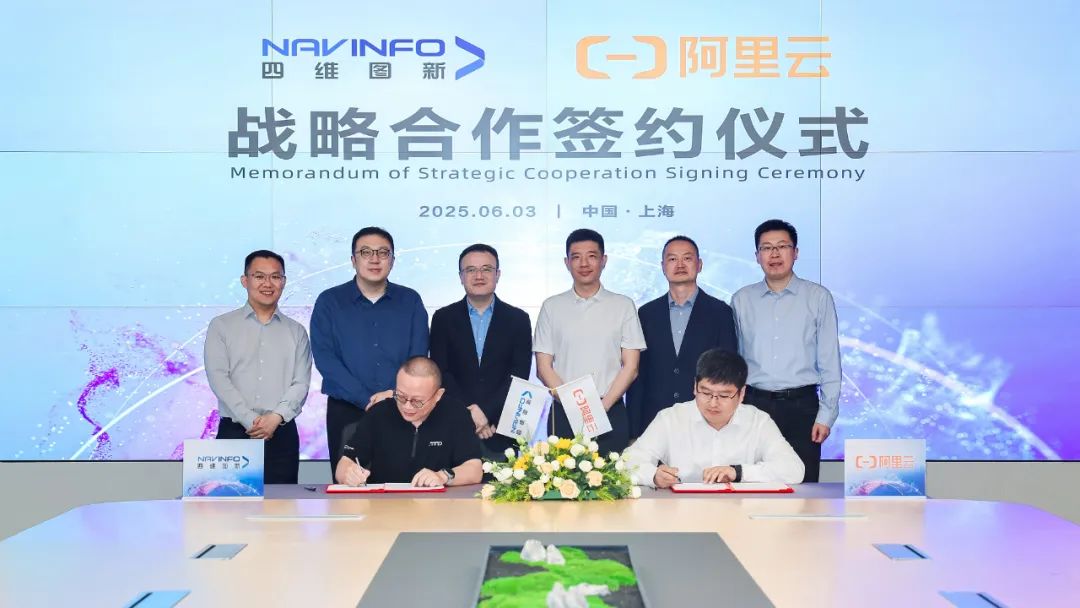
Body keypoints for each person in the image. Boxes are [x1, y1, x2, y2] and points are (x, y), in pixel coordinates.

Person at [310, 227, 429, 474]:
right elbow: (325, 359)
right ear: (353, 260)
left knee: (402, 485)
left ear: (392, 260)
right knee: (349, 484)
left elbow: (418, 357)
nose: (375, 259)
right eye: (366, 252)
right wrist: (366, 399)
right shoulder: (330, 302)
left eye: (383, 253)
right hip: (347, 410)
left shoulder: (410, 301)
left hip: (402, 409)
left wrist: (394, 395)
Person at [731, 219, 841, 482]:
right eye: (766, 248)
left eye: (782, 246)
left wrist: (826, 415)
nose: (775, 254)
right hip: (754, 405)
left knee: (804, 486)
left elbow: (829, 360)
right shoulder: (742, 300)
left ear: (796, 252)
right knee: (754, 484)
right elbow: (735, 362)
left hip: (802, 407)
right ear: (757, 256)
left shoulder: (818, 297)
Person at [533, 229, 646, 454]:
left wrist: (601, 407)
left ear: (604, 260)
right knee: (562, 475)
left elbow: (631, 366)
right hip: (564, 412)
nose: (584, 263)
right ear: (566, 262)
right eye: (576, 257)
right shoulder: (551, 306)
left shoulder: (623, 305)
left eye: (592, 256)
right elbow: (543, 368)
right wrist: (576, 406)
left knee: (613, 476)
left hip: (610, 409)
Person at [204, 249, 312, 484]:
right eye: (259, 276)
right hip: (234, 431)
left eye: (275, 277)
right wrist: (250, 419)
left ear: (283, 282)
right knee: (230, 504)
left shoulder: (296, 331)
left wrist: (275, 418)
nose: (267, 283)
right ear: (245, 281)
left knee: (282, 504)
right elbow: (218, 378)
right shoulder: (221, 326)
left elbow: (301, 383)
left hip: (281, 432)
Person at [624, 349, 804, 488]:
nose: (713, 403)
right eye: (705, 392)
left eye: (724, 396)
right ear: (695, 386)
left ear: (742, 393)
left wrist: (738, 472)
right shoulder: (671, 418)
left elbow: (794, 469)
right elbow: (627, 463)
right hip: (684, 513)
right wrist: (653, 475)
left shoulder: (758, 421)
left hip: (740, 514)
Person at [628, 235, 738, 438]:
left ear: (700, 264)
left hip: (705, 423)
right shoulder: (646, 314)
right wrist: (634, 432)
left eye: (687, 258)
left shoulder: (720, 312)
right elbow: (638, 376)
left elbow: (728, 374)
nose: (679, 265)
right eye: (672, 259)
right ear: (662, 266)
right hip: (654, 423)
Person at [429, 244, 533, 457]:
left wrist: (486, 413)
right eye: (471, 270)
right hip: (454, 424)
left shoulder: (518, 319)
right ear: (461, 276)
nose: (479, 276)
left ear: (498, 274)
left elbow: (518, 374)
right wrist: (470, 411)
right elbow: (440, 372)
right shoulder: (443, 318)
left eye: (486, 269)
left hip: (500, 427)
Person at [334, 357, 483, 487]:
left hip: (438, 504)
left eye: (417, 401)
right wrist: (349, 474)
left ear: (438, 395)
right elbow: (344, 465)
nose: (407, 406)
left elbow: (474, 469)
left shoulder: (456, 414)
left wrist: (442, 476)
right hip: (384, 504)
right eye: (401, 396)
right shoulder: (378, 413)